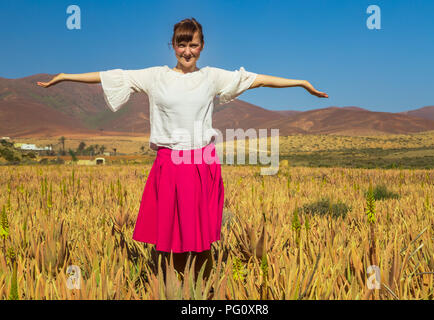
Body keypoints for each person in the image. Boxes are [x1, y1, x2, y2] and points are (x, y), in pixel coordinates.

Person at [36, 17, 328, 284]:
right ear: (172, 45)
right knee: (173, 235)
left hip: (202, 163)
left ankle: (203, 290)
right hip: (170, 163)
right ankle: (175, 288)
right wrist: (64, 76)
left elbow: (259, 79)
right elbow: (111, 76)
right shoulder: (155, 76)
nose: (187, 51)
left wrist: (301, 84)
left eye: (194, 45)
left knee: (201, 238)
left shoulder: (212, 77)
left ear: (202, 46)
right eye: (182, 44)